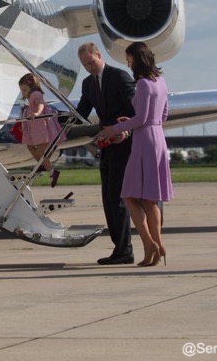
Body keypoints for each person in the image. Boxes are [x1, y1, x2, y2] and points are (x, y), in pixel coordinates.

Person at [97, 42, 172, 267]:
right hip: (157, 136)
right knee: (150, 200)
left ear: (136, 59)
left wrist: (115, 128)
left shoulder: (142, 84)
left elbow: (140, 119)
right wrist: (134, 122)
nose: (127, 63)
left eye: (129, 59)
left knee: (129, 195)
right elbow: (164, 114)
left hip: (143, 141)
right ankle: (156, 246)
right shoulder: (160, 82)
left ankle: (150, 244)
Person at [75, 42, 136, 265]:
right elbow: (81, 113)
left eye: (91, 62)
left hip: (126, 144)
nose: (89, 67)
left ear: (99, 55)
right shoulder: (88, 84)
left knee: (118, 199)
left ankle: (125, 250)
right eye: (85, 65)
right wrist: (54, 119)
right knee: (108, 199)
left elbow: (136, 111)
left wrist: (125, 132)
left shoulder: (119, 76)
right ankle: (120, 248)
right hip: (107, 146)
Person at [17, 73, 63, 188]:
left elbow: (40, 104)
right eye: (22, 90)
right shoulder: (31, 97)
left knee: (39, 151)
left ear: (31, 87)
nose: (23, 92)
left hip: (40, 127)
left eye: (24, 89)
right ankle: (44, 165)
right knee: (29, 146)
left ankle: (51, 171)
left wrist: (37, 112)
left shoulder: (35, 94)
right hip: (33, 127)